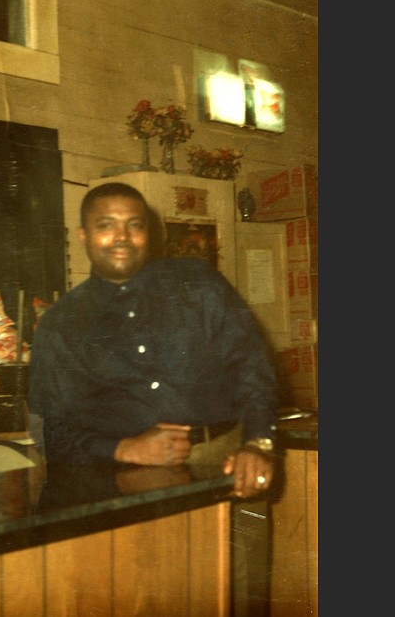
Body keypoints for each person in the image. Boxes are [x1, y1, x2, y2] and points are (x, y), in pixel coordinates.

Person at [27, 181, 278, 499]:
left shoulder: (199, 285)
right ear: (83, 235)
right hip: (122, 481)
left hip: (227, 462)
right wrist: (124, 448)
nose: (122, 237)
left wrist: (258, 443)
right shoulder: (59, 324)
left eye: (135, 225)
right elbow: (51, 431)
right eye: (106, 226)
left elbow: (253, 371)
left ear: (150, 233)